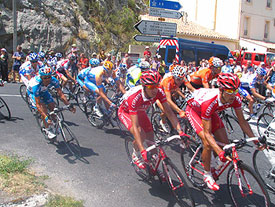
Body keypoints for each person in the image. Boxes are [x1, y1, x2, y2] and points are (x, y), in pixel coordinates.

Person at [186, 73, 256, 191]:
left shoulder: (235, 98)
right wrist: (219, 152)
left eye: (235, 90)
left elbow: (242, 122)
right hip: (195, 110)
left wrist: (255, 141)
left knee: (225, 143)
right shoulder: (210, 101)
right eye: (229, 91)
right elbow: (207, 134)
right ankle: (207, 175)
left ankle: (213, 163)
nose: (233, 94)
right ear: (221, 90)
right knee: (207, 143)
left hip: (211, 112)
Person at [118, 70, 185, 169]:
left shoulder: (159, 92)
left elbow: (169, 113)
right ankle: (136, 154)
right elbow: (136, 127)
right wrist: (142, 150)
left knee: (150, 134)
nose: (155, 90)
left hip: (140, 110)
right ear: (144, 86)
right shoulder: (135, 97)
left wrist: (180, 131)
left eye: (157, 85)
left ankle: (154, 163)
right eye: (151, 87)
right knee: (141, 134)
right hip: (126, 112)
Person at [27, 66, 76, 139]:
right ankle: (47, 129)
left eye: (49, 77)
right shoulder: (36, 85)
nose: (47, 79)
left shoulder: (54, 80)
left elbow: (61, 95)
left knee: (52, 106)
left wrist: (69, 105)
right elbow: (38, 104)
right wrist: (46, 117)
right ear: (41, 77)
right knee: (43, 109)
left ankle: (54, 122)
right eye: (45, 78)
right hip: (32, 92)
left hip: (43, 91)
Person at [157, 65, 195, 132]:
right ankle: (162, 122)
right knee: (167, 110)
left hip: (171, 92)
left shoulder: (182, 77)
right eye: (178, 79)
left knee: (174, 110)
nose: (180, 81)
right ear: (174, 77)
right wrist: (180, 111)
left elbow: (191, 88)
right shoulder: (167, 81)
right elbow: (168, 100)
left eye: (181, 79)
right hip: (160, 95)